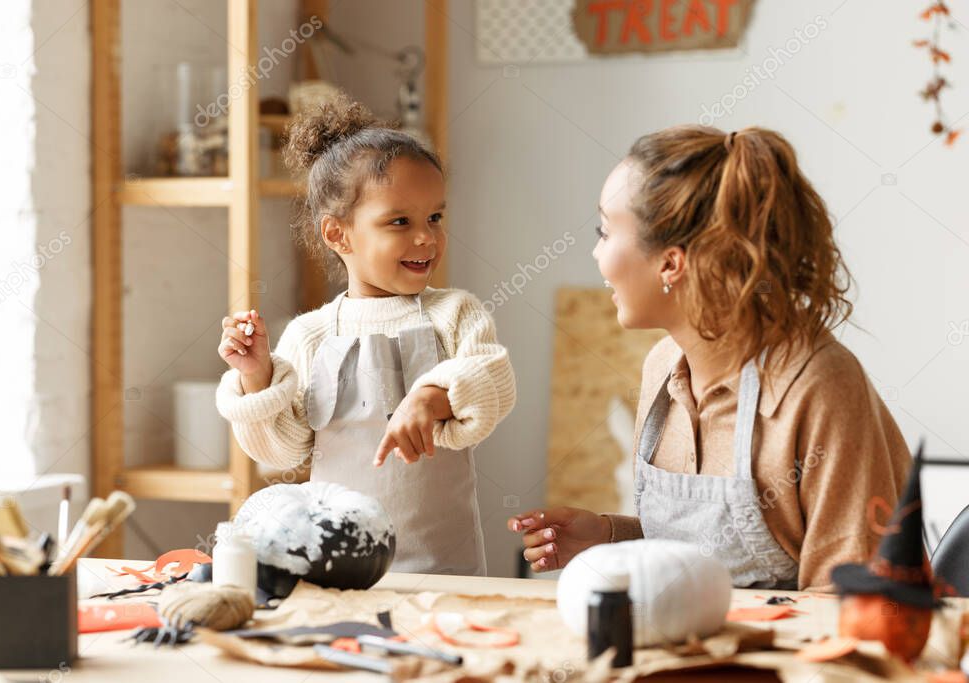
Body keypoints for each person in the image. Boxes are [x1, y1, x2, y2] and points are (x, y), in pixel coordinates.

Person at [510, 126, 910, 591]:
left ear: (671, 264)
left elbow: (859, 602)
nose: (597, 253)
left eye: (604, 231)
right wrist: (610, 538)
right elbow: (706, 557)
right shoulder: (663, 367)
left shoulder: (818, 384)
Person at [217, 97, 516, 576]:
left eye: (435, 218)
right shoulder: (310, 334)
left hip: (443, 568)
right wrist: (257, 376)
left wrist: (431, 398)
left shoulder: (455, 312)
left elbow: (491, 378)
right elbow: (281, 450)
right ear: (339, 235)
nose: (426, 238)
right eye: (400, 222)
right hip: (339, 566)